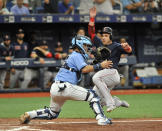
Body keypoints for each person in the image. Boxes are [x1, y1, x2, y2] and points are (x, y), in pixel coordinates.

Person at [19, 35, 113, 125]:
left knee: (52, 113)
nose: (87, 48)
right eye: (85, 45)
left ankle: (30, 114)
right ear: (79, 45)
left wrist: (95, 63)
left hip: (56, 88)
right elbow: (84, 70)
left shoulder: (74, 55)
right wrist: (100, 65)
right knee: (93, 95)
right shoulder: (77, 55)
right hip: (66, 87)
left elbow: (85, 68)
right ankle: (101, 119)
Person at [88, 7, 132, 112]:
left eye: (106, 35)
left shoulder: (116, 45)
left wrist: (127, 47)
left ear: (110, 36)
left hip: (113, 73)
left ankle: (111, 104)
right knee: (93, 98)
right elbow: (91, 32)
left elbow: (129, 51)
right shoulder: (99, 43)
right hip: (105, 77)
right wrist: (92, 18)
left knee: (95, 77)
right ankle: (118, 102)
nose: (104, 37)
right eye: (103, 35)